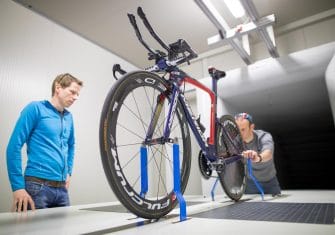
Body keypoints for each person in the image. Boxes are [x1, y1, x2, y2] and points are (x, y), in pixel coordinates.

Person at [6, 73, 83, 212]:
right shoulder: (35, 108)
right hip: (37, 187)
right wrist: (17, 187)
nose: (76, 97)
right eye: (72, 92)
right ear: (58, 87)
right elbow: (14, 147)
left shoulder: (69, 117)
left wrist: (69, 172)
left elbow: (71, 145)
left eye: (78, 94)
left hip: (61, 190)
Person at [234, 112, 281, 196]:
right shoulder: (236, 141)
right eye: (237, 129)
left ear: (251, 127)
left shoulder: (264, 136)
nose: (239, 133)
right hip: (251, 183)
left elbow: (268, 153)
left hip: (271, 182)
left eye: (243, 129)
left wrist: (258, 157)